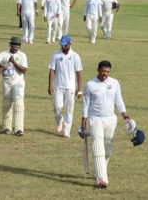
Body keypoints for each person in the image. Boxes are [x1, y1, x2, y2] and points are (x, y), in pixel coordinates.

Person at [79, 60, 137, 188]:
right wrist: (83, 124)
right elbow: (85, 106)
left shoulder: (114, 83)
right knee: (97, 148)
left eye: (107, 72)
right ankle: (102, 179)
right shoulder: (90, 85)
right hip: (95, 120)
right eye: (103, 71)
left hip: (111, 120)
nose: (105, 74)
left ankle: (100, 171)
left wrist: (126, 118)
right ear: (98, 70)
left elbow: (119, 101)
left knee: (107, 150)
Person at [0, 37, 28, 136]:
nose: (16, 46)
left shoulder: (22, 55)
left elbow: (24, 70)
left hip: (18, 82)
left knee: (18, 103)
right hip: (6, 82)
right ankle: (6, 127)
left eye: (18, 45)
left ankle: (19, 129)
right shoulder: (4, 54)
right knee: (7, 103)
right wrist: (1, 66)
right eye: (14, 44)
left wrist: (14, 62)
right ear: (10, 44)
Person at [48, 35, 83, 138]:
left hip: (70, 87)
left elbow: (79, 73)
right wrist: (50, 85)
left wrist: (80, 89)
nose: (63, 47)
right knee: (57, 106)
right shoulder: (56, 55)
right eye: (62, 45)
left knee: (69, 110)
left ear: (70, 44)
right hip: (58, 86)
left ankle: (66, 131)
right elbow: (52, 71)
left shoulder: (75, 56)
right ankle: (60, 121)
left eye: (65, 45)